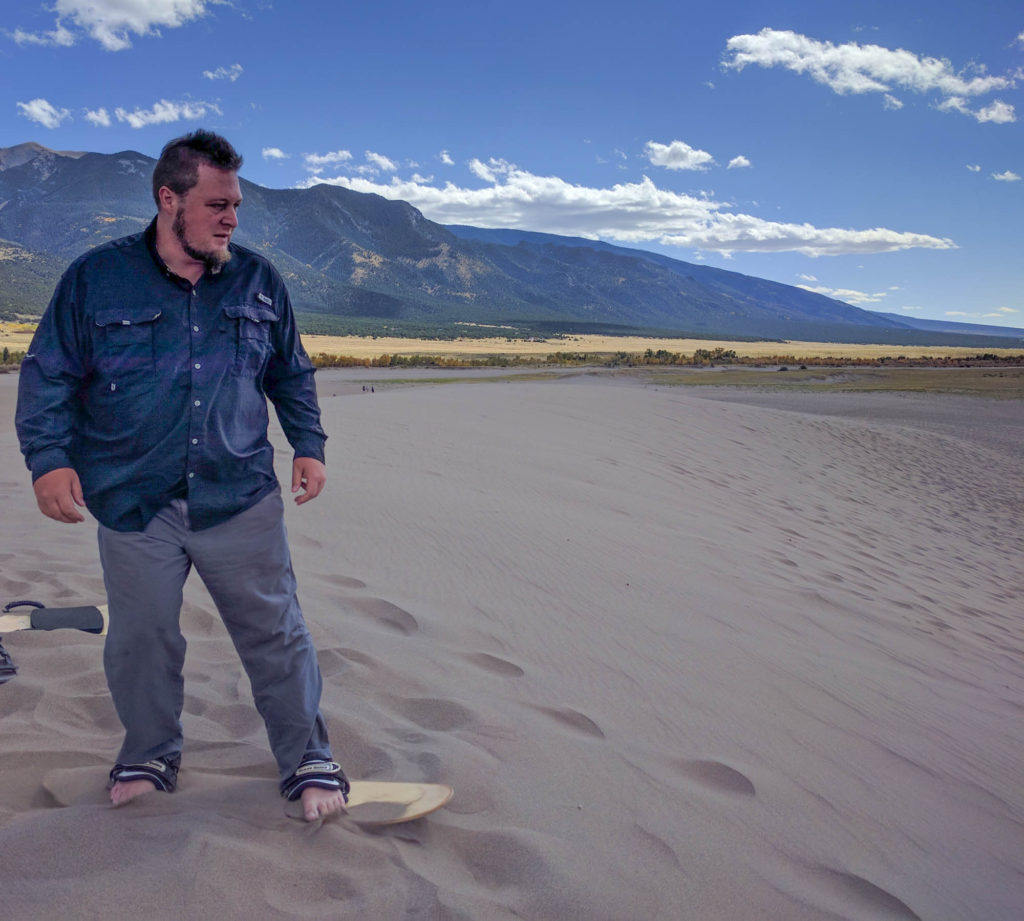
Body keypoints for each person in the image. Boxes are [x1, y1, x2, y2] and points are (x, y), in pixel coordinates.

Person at [15, 130, 347, 821]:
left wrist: (308, 443)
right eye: (218, 204)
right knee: (141, 637)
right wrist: (49, 462)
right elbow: (48, 375)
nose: (232, 218)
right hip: (135, 500)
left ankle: (308, 757)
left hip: (239, 496)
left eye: (236, 206)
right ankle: (149, 751)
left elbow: (290, 369)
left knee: (276, 633)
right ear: (169, 199)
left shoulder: (259, 281)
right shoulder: (94, 278)